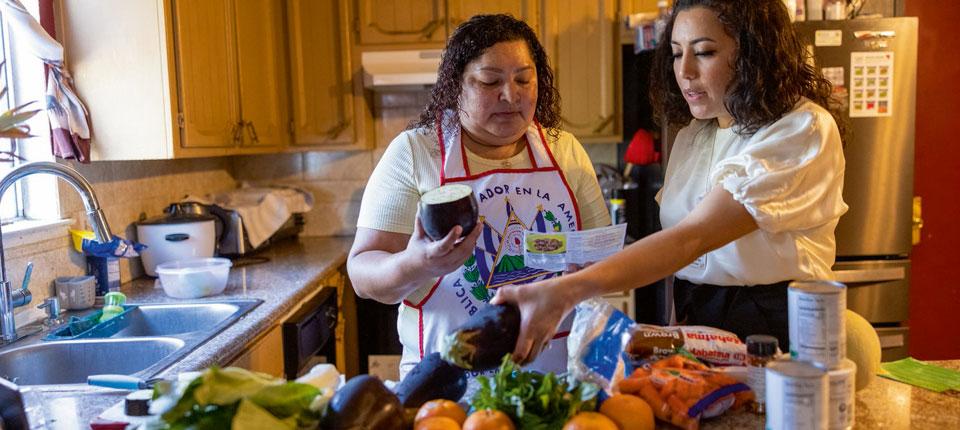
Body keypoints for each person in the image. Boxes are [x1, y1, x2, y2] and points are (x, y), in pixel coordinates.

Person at [493, 0, 847, 362]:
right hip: (698, 326)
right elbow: (685, 262)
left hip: (773, 329)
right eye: (677, 54)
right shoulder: (695, 135)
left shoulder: (800, 129)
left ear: (754, 54)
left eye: (704, 52)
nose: (685, 71)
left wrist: (566, 291)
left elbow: (690, 239)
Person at [348, 14, 610, 380]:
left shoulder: (564, 150)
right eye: (490, 81)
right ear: (457, 85)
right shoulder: (416, 152)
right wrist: (419, 264)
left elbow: (604, 260)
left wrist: (585, 272)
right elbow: (362, 274)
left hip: (555, 383)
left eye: (523, 79)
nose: (511, 94)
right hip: (448, 389)